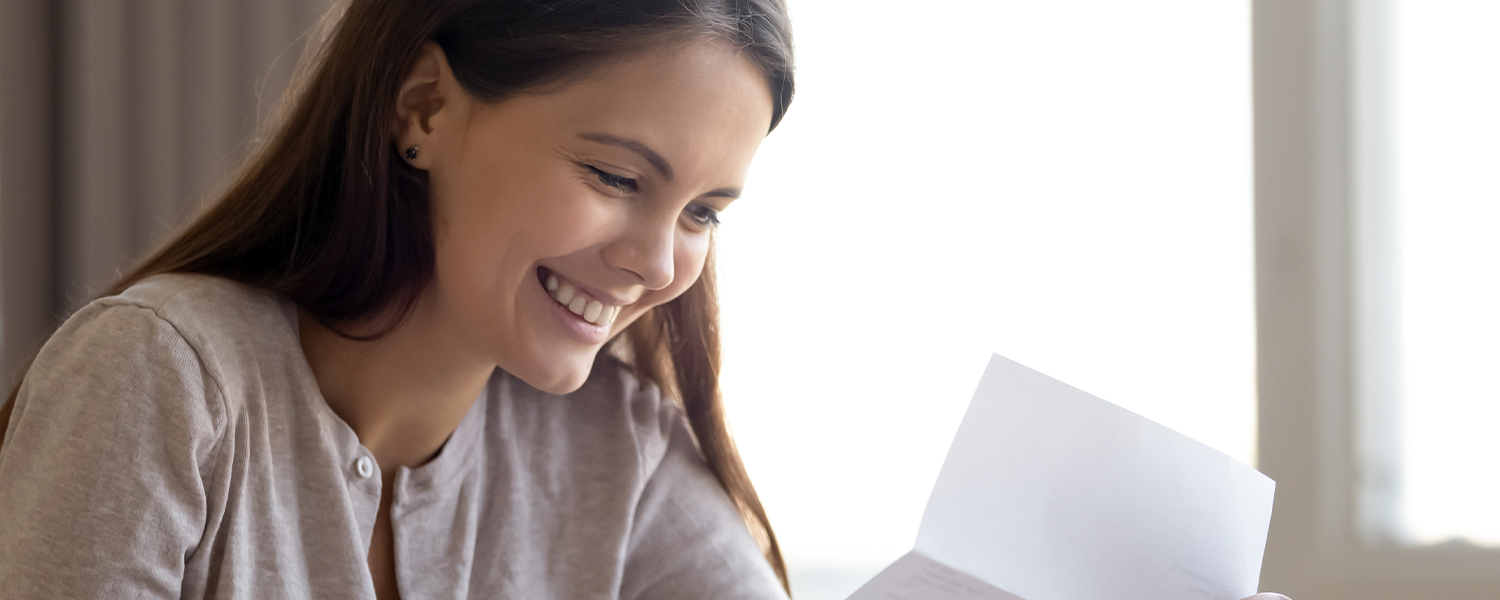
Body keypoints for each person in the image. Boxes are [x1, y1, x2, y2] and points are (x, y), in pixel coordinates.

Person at [0, 0, 792, 598]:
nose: (657, 265)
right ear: (424, 108)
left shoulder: (620, 451)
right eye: (615, 177)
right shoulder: (161, 380)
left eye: (702, 213)